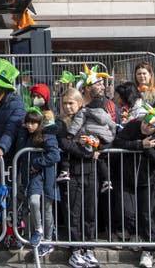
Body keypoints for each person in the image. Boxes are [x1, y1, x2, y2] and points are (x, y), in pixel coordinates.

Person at [113, 105, 155, 268]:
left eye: (150, 126)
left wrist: (149, 150)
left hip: (149, 182)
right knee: (127, 210)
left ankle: (148, 250)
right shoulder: (133, 125)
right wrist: (140, 144)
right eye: (145, 123)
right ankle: (136, 234)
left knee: (147, 216)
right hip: (127, 179)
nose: (146, 126)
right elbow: (118, 141)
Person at [55, 88, 102, 266]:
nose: (68, 107)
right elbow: (65, 144)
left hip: (90, 171)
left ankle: (89, 248)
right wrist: (87, 152)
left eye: (71, 103)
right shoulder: (60, 123)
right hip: (72, 172)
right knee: (73, 212)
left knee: (90, 211)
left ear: (80, 103)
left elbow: (104, 136)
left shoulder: (89, 118)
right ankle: (74, 250)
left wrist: (97, 146)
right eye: (65, 103)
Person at [16, 108, 60, 250]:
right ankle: (39, 230)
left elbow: (55, 155)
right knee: (34, 202)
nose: (29, 125)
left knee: (47, 207)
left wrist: (37, 163)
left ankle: (48, 240)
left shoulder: (48, 135)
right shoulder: (26, 136)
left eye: (33, 122)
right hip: (34, 177)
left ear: (39, 123)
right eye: (27, 122)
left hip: (47, 176)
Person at [0, 58, 26, 160]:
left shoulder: (16, 104)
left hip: (7, 154)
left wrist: (2, 147)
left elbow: (11, 129)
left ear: (3, 88)